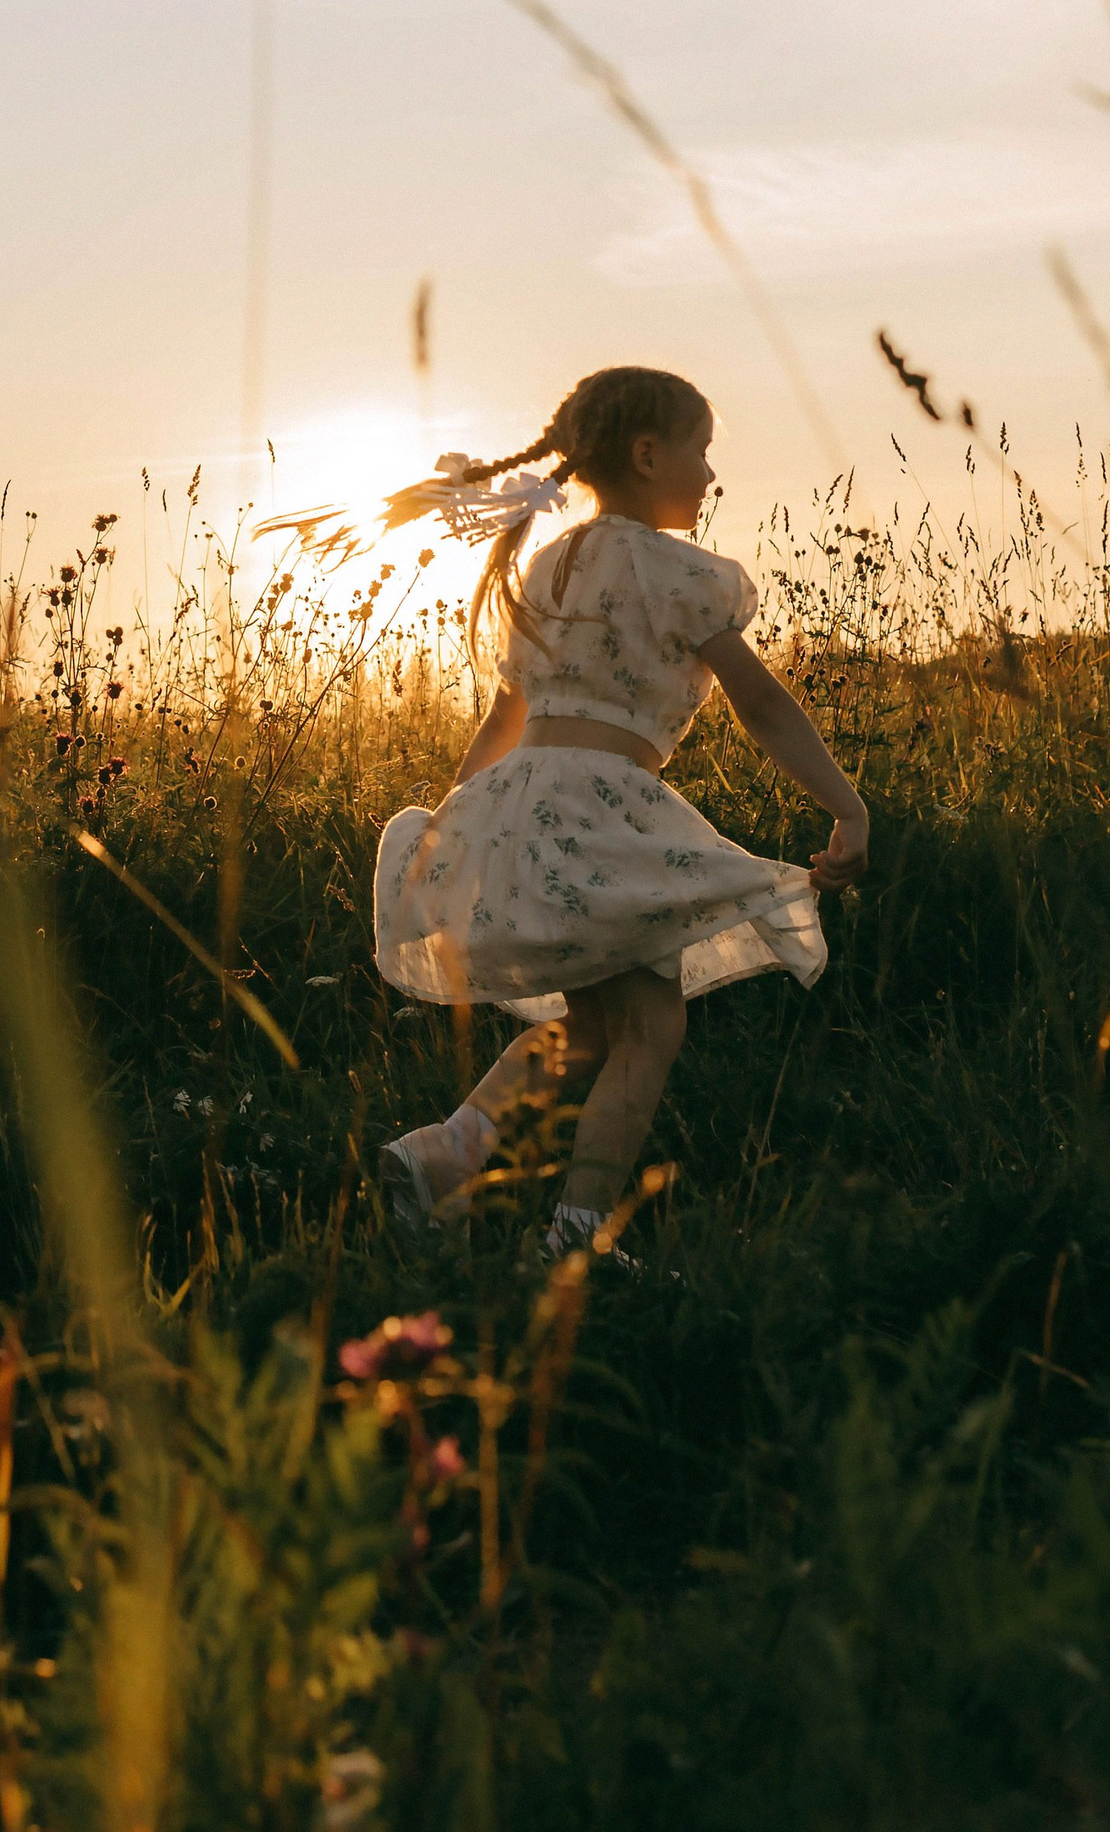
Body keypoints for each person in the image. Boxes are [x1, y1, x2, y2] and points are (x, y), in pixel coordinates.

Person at [358, 364, 866, 1265]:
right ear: (646, 454)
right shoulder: (678, 572)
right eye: (700, 453)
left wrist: (459, 821)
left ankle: (444, 1154)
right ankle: (577, 1234)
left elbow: (505, 719)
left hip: (522, 808)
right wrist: (844, 802)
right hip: (602, 810)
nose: (710, 475)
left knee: (596, 1026)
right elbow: (764, 703)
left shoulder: (547, 566)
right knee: (649, 1027)